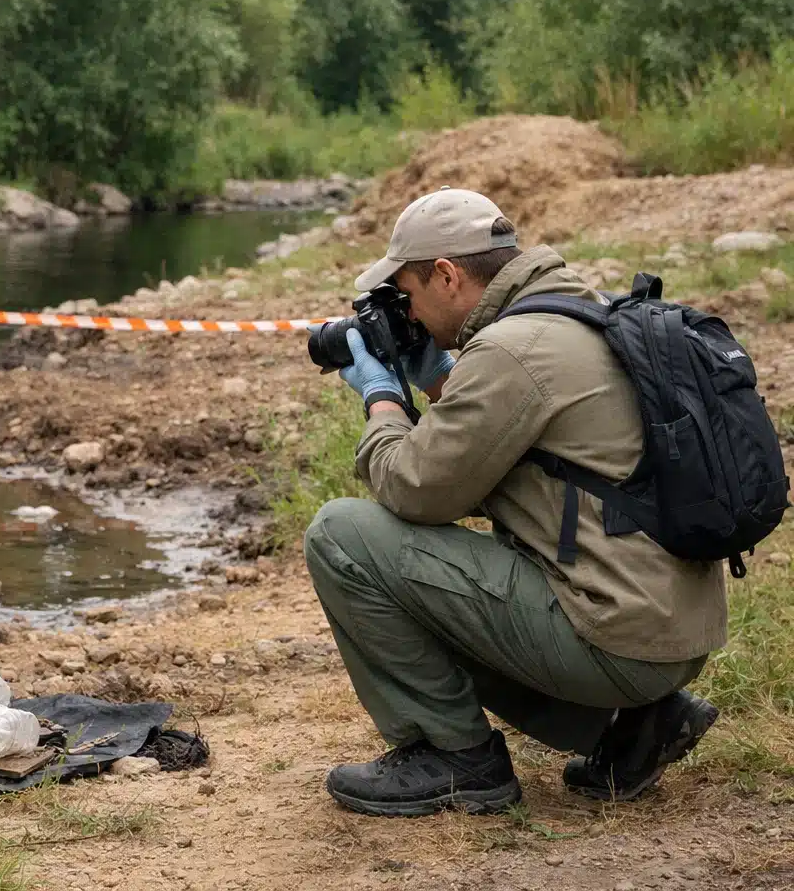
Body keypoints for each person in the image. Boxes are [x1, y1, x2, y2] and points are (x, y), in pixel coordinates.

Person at [304, 187, 723, 818]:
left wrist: (382, 397)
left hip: (617, 639)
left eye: (408, 297)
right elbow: (532, 447)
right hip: (669, 629)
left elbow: (413, 489)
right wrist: (442, 379)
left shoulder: (511, 351)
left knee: (342, 534)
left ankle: (455, 760)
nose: (410, 315)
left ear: (445, 275)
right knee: (460, 571)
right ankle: (632, 727)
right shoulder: (582, 313)